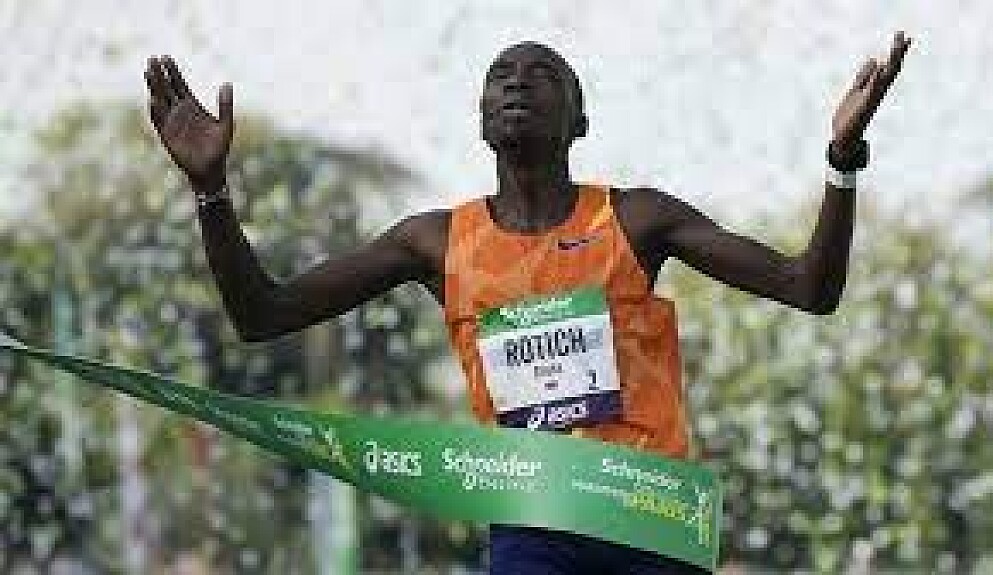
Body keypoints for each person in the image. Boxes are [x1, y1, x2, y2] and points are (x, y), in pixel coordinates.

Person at [144, 32, 911, 575]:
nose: (516, 82)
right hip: (534, 513)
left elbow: (810, 288)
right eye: (500, 75)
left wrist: (842, 161)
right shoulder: (435, 241)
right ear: (482, 118)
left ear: (579, 120)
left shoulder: (637, 218)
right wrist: (210, 190)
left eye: (541, 73)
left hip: (651, 509)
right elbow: (262, 315)